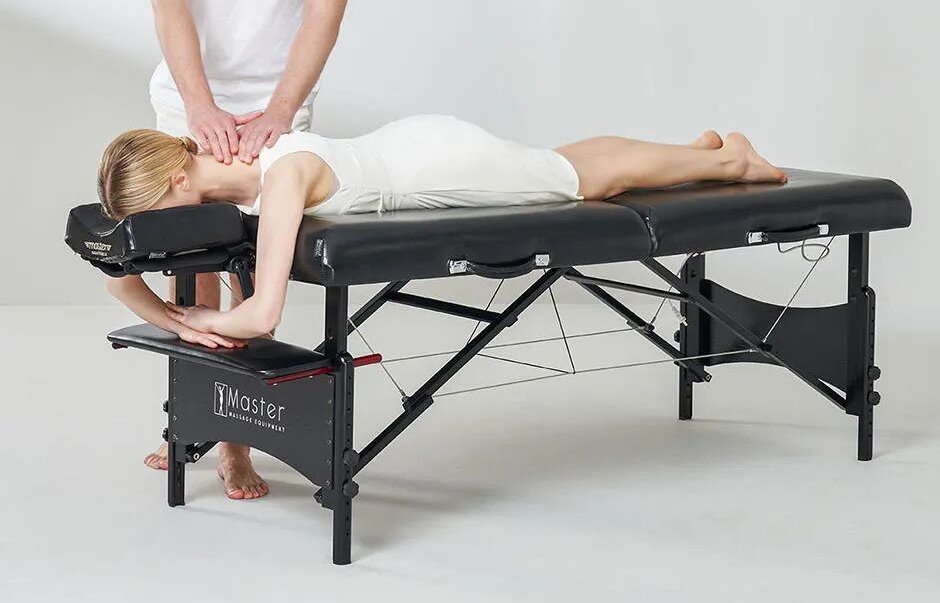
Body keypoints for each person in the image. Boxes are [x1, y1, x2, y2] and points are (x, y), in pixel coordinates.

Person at [97, 115, 788, 497]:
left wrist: (201, 320)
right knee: (552, 163)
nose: (151, 233)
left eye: (149, 215)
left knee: (572, 180)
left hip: (439, 166)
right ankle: (688, 152)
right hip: (412, 145)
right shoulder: (244, 177)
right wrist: (174, 317)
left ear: (178, 179)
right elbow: (117, 280)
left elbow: (262, 316)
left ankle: (731, 162)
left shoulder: (280, 180)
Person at [142, 0, 359, 492]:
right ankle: (196, 421)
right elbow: (171, 1)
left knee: (257, 270)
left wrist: (280, 110)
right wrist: (199, 106)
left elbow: (323, 13)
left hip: (279, 102)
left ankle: (239, 435)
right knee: (194, 267)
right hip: (189, 95)